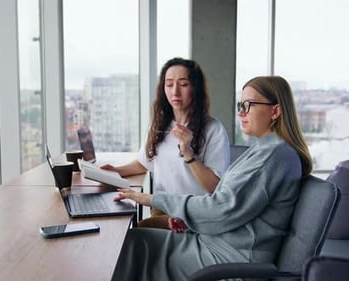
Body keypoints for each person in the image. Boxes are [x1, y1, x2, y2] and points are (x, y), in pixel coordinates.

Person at [110, 75, 313, 280]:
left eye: (248, 105)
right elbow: (235, 208)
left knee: (130, 247)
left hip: (229, 260)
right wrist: (191, 221)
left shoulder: (274, 156)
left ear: (275, 111)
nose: (241, 113)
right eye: (240, 105)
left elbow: (221, 209)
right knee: (133, 241)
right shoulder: (265, 150)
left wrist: (151, 198)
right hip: (215, 241)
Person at [101, 57, 230, 229]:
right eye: (169, 84)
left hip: (193, 214)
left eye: (183, 84)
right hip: (162, 209)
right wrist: (116, 171)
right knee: (121, 227)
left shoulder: (213, 130)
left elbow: (214, 187)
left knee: (133, 233)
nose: (175, 92)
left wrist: (188, 153)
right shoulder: (160, 125)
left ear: (195, 88)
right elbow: (145, 161)